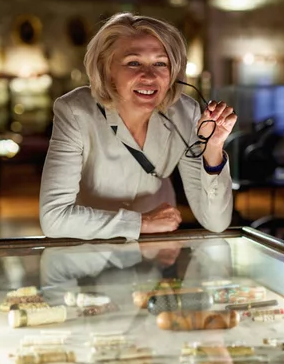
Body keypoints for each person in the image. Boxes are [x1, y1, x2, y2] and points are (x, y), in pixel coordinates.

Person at [40, 12, 237, 240]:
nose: (149, 76)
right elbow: (54, 218)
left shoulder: (185, 112)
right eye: (133, 63)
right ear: (107, 69)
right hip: (86, 255)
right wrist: (143, 222)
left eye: (160, 64)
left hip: (154, 255)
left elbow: (216, 222)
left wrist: (212, 147)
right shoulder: (75, 111)